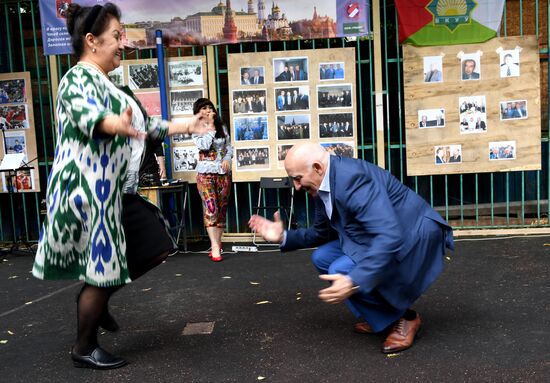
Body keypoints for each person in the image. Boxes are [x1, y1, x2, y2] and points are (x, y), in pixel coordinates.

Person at [31, 3, 212, 370]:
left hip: (108, 192)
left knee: (151, 245)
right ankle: (84, 345)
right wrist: (115, 125)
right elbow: (90, 117)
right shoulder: (77, 79)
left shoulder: (109, 83)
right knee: (102, 268)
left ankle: (99, 298)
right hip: (84, 192)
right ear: (91, 41)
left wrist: (187, 127)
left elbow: (149, 124)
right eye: (117, 36)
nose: (122, 43)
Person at [249, 143, 453, 354]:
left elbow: (389, 236)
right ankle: (382, 316)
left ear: (318, 167)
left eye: (298, 178)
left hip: (412, 233)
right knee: (322, 258)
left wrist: (354, 280)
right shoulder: (321, 184)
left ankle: (406, 318)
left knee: (343, 269)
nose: (296, 186)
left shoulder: (353, 180)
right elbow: (321, 233)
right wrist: (283, 236)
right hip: (378, 233)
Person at [192, 98, 233, 262]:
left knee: (221, 210)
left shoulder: (222, 127)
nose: (208, 110)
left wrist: (228, 160)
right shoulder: (196, 128)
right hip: (205, 174)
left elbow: (228, 147)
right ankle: (215, 246)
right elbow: (203, 146)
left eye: (210, 107)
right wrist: (209, 127)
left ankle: (218, 242)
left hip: (223, 173)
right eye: (204, 108)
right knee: (211, 208)